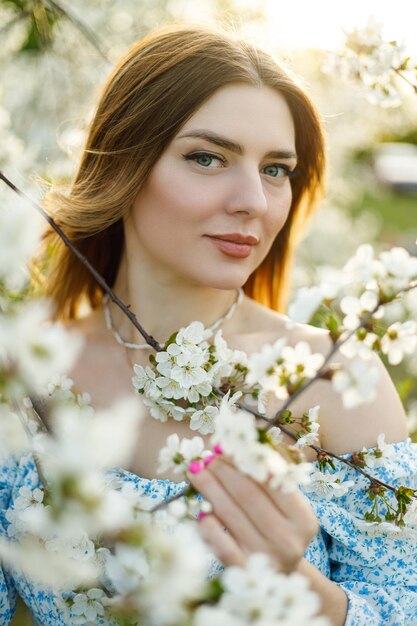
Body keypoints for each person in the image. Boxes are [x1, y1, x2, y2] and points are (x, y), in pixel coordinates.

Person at [1, 22, 417, 626]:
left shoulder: (335, 381)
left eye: (277, 169)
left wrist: (301, 593)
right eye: (207, 157)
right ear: (124, 163)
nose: (253, 199)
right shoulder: (21, 380)